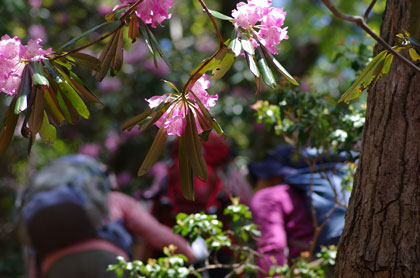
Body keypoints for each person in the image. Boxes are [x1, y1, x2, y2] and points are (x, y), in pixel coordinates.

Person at [16, 154, 195, 278]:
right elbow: (157, 235)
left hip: (55, 267)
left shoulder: (46, 209)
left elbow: (34, 258)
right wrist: (190, 253)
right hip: (106, 260)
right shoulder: (115, 200)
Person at [248, 145, 349, 276]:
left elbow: (273, 247)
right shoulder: (314, 191)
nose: (258, 182)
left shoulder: (268, 198)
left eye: (259, 176)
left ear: (275, 175)